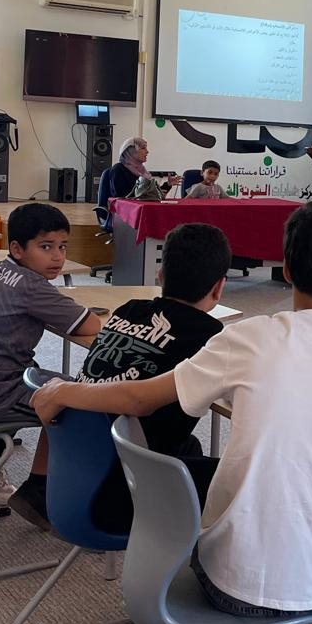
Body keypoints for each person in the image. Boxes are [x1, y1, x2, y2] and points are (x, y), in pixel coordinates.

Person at [31, 200, 312, 624]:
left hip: (228, 587)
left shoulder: (248, 337)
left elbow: (141, 398)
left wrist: (63, 388)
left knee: (224, 510)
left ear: (286, 269)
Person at [0, 204, 103, 505]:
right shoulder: (32, 286)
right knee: (76, 400)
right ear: (17, 248)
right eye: (46, 247)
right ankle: (38, 492)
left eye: (62, 246)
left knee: (40, 374)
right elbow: (90, 325)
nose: (58, 257)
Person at [74, 222, 231, 534]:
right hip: (128, 485)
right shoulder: (210, 336)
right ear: (218, 288)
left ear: (160, 274)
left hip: (79, 463)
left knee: (189, 446)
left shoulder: (128, 309)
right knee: (243, 479)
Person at [102, 137, 179, 203]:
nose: (147, 152)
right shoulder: (118, 170)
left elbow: (152, 196)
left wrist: (167, 185)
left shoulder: (143, 171)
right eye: (143, 148)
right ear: (131, 151)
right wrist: (149, 196)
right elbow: (122, 199)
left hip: (143, 210)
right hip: (125, 213)